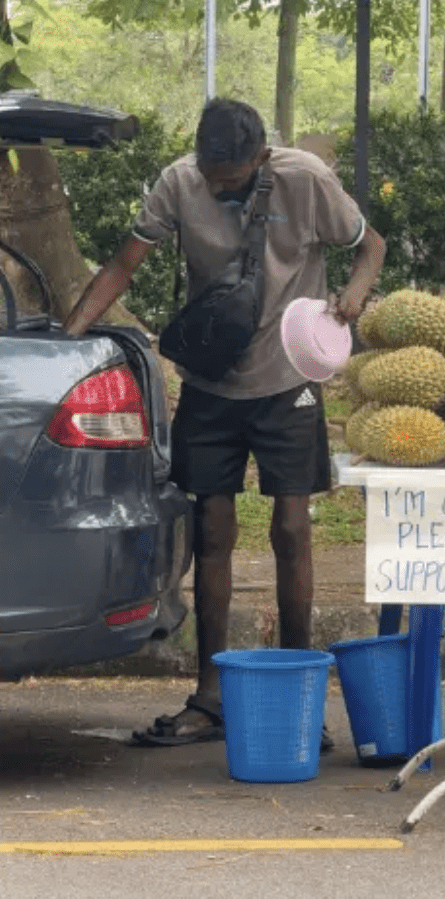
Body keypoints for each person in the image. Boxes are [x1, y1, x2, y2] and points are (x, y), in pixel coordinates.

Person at [64, 98, 386, 747]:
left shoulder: (306, 180)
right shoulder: (178, 182)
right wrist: (70, 333)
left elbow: (369, 246)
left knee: (292, 529)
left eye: (231, 179)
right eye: (210, 175)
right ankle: (210, 700)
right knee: (211, 531)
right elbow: (124, 265)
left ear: (261, 158)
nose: (217, 186)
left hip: (289, 378)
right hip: (212, 382)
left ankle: (299, 692)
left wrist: (353, 296)